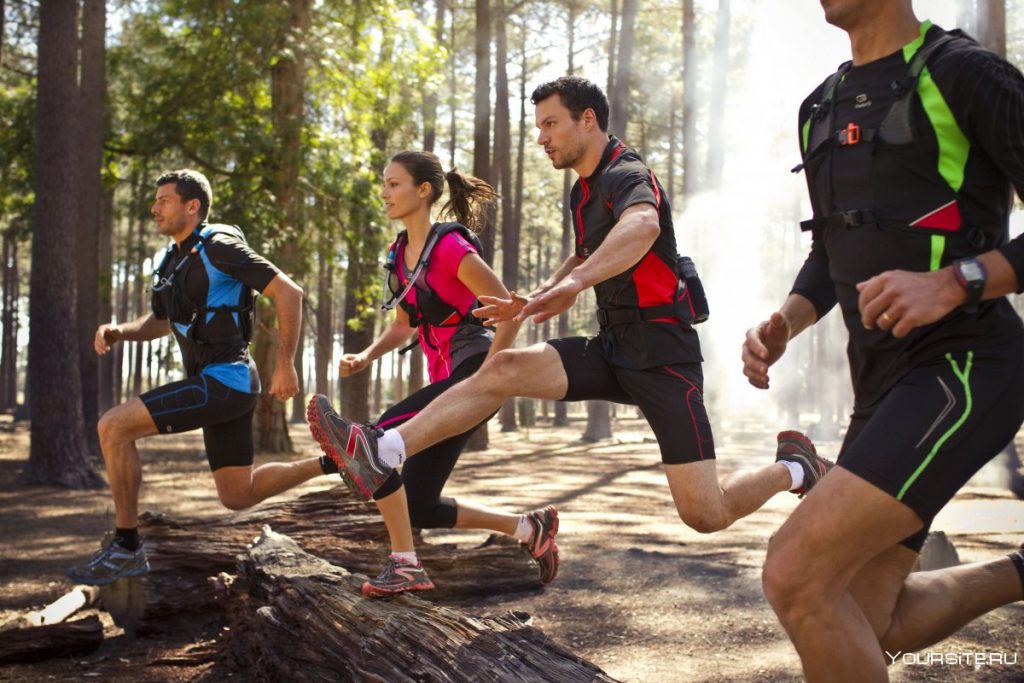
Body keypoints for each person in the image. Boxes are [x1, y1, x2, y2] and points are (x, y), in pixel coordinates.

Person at [308, 77, 833, 555]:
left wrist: (576, 285)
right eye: (538, 127)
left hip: (664, 355)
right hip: (612, 346)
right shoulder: (583, 192)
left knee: (705, 512)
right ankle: (385, 447)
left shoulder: (627, 172)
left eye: (551, 123)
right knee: (502, 368)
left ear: (588, 120)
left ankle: (793, 468)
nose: (541, 138)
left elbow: (643, 228)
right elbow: (584, 256)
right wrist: (537, 296)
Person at [741, 2, 1024, 680]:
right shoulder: (821, 105)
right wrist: (788, 319)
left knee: (796, 573)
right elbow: (834, 249)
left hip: (965, 366)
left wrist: (959, 280)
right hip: (880, 383)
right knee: (871, 619)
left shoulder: (967, 75)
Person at [307, 151, 558, 597]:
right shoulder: (400, 254)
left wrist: (489, 378)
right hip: (449, 383)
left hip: (474, 373)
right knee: (420, 503)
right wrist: (367, 355)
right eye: (383, 183)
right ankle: (528, 528)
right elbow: (405, 323)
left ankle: (405, 564)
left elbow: (510, 313)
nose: (384, 192)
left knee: (377, 436)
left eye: (393, 184)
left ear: (423, 191)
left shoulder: (450, 249)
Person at [68, 169, 331, 586]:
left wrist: (286, 363)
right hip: (221, 385)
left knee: (113, 426)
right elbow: (160, 321)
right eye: (154, 200)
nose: (154, 208)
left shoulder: (220, 247)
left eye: (164, 201)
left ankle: (126, 547)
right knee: (237, 494)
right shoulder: (171, 261)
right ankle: (330, 461)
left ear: (192, 206)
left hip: (227, 379)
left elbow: (289, 292)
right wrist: (121, 331)